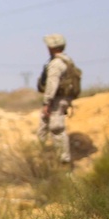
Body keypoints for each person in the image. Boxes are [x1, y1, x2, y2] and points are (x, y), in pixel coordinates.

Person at [37, 33, 77, 167]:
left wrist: (47, 103)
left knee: (56, 128)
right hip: (64, 98)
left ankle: (63, 161)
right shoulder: (67, 60)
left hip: (57, 100)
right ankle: (42, 154)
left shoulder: (56, 64)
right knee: (44, 124)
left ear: (52, 47)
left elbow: (52, 84)